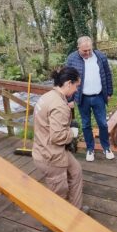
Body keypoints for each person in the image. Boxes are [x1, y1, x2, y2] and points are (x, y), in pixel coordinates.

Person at [32, 67, 89, 213]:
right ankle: (57, 223)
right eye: (76, 86)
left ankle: (75, 211)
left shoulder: (48, 96)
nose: (77, 90)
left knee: (76, 171)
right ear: (68, 83)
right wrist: (72, 133)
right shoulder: (59, 105)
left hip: (44, 148)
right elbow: (57, 137)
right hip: (51, 156)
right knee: (58, 195)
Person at [66, 36, 114, 162]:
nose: (87, 53)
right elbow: (68, 80)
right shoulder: (71, 59)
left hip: (99, 96)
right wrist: (69, 99)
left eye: (89, 50)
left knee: (103, 124)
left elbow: (107, 74)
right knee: (86, 124)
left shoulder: (100, 56)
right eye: (84, 51)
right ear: (78, 48)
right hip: (82, 98)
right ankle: (90, 149)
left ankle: (106, 147)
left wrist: (109, 92)